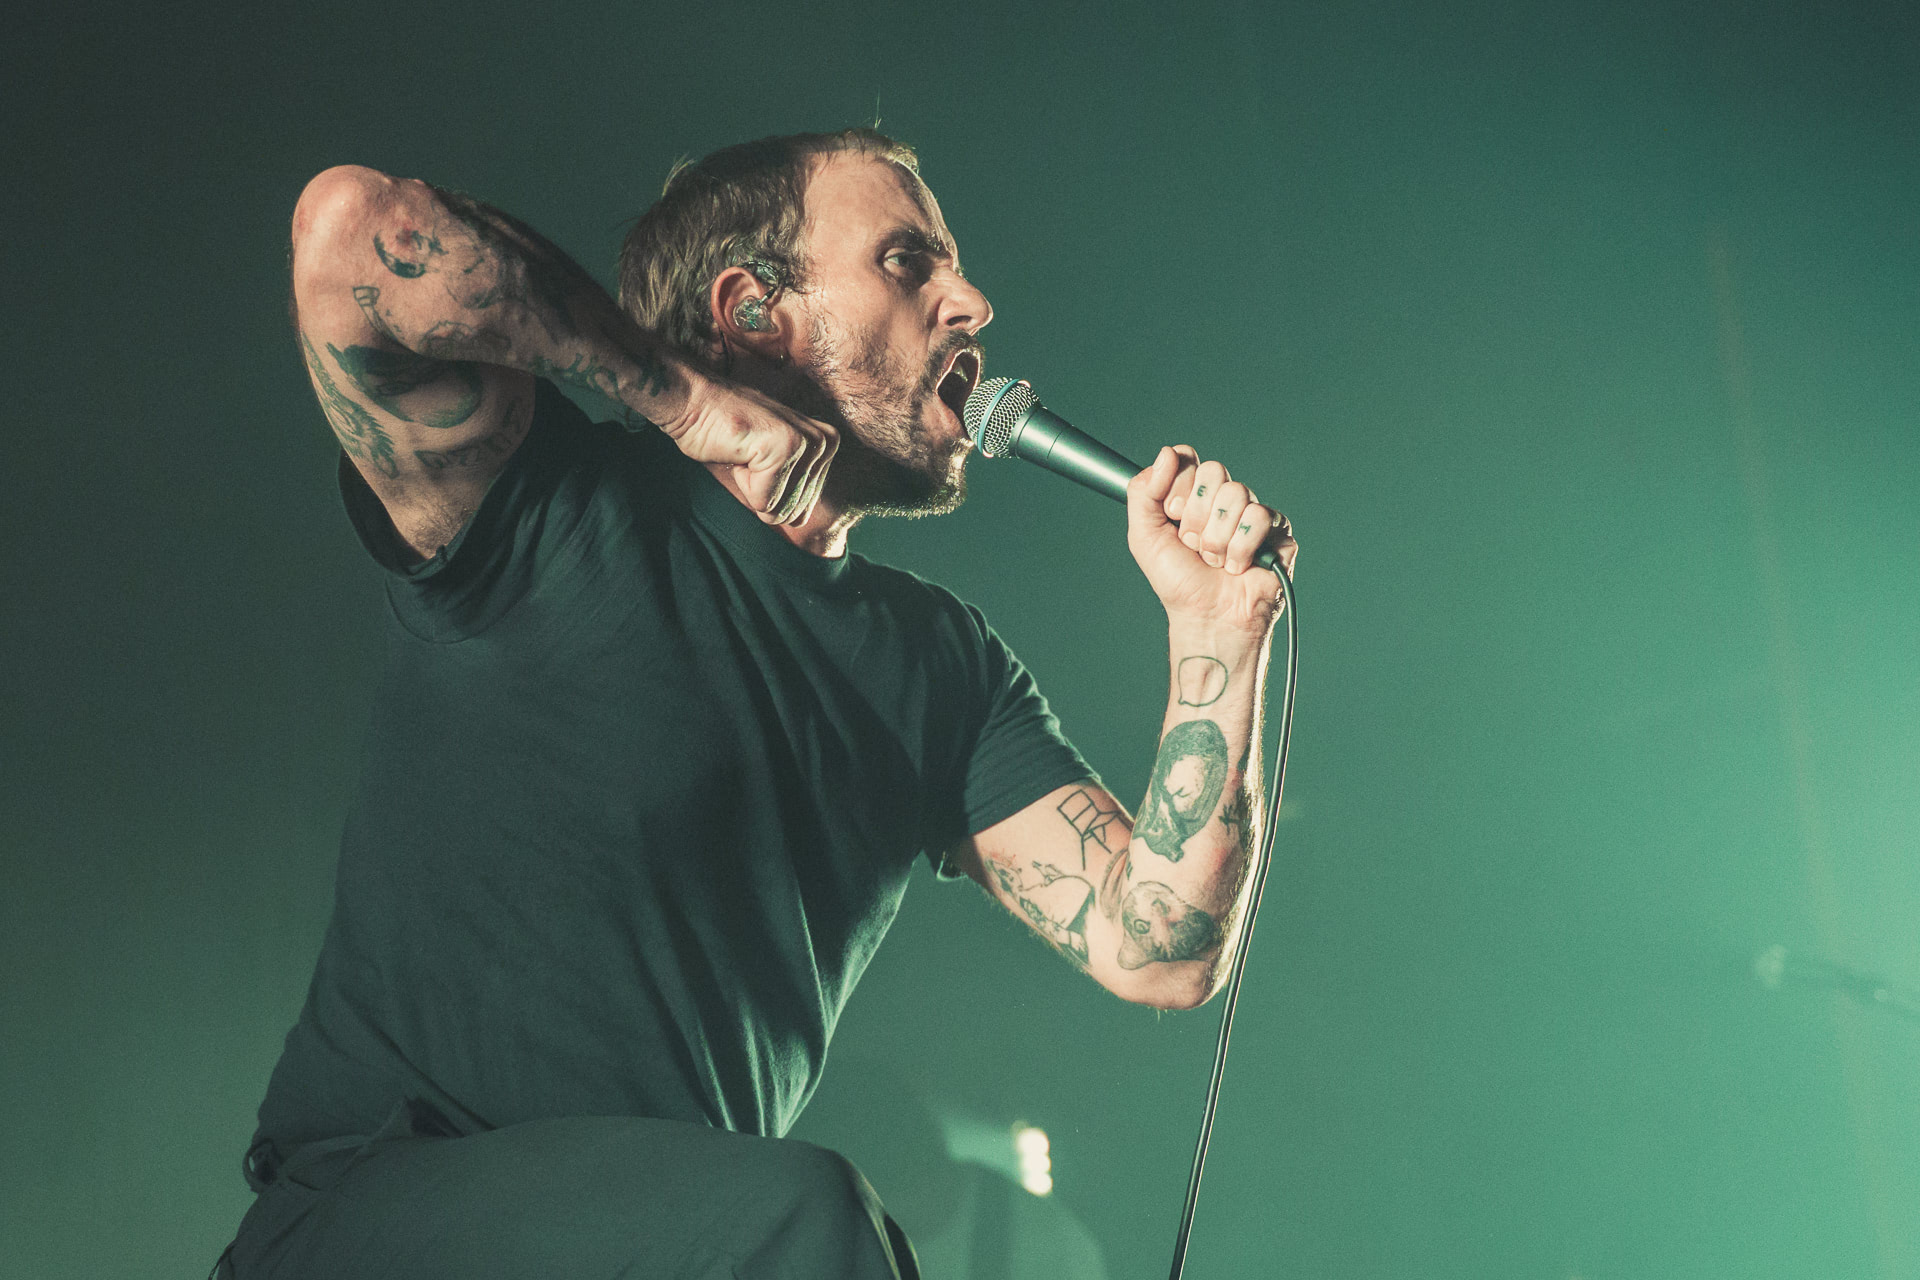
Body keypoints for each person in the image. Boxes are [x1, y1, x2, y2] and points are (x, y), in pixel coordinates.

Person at [218, 127, 1297, 1280]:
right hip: (374, 1216)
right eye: (908, 262)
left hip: (663, 1243)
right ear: (749, 310)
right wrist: (685, 401)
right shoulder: (546, 508)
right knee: (803, 1218)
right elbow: (350, 230)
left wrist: (1217, 632)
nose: (973, 302)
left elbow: (1161, 949)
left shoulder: (941, 668)